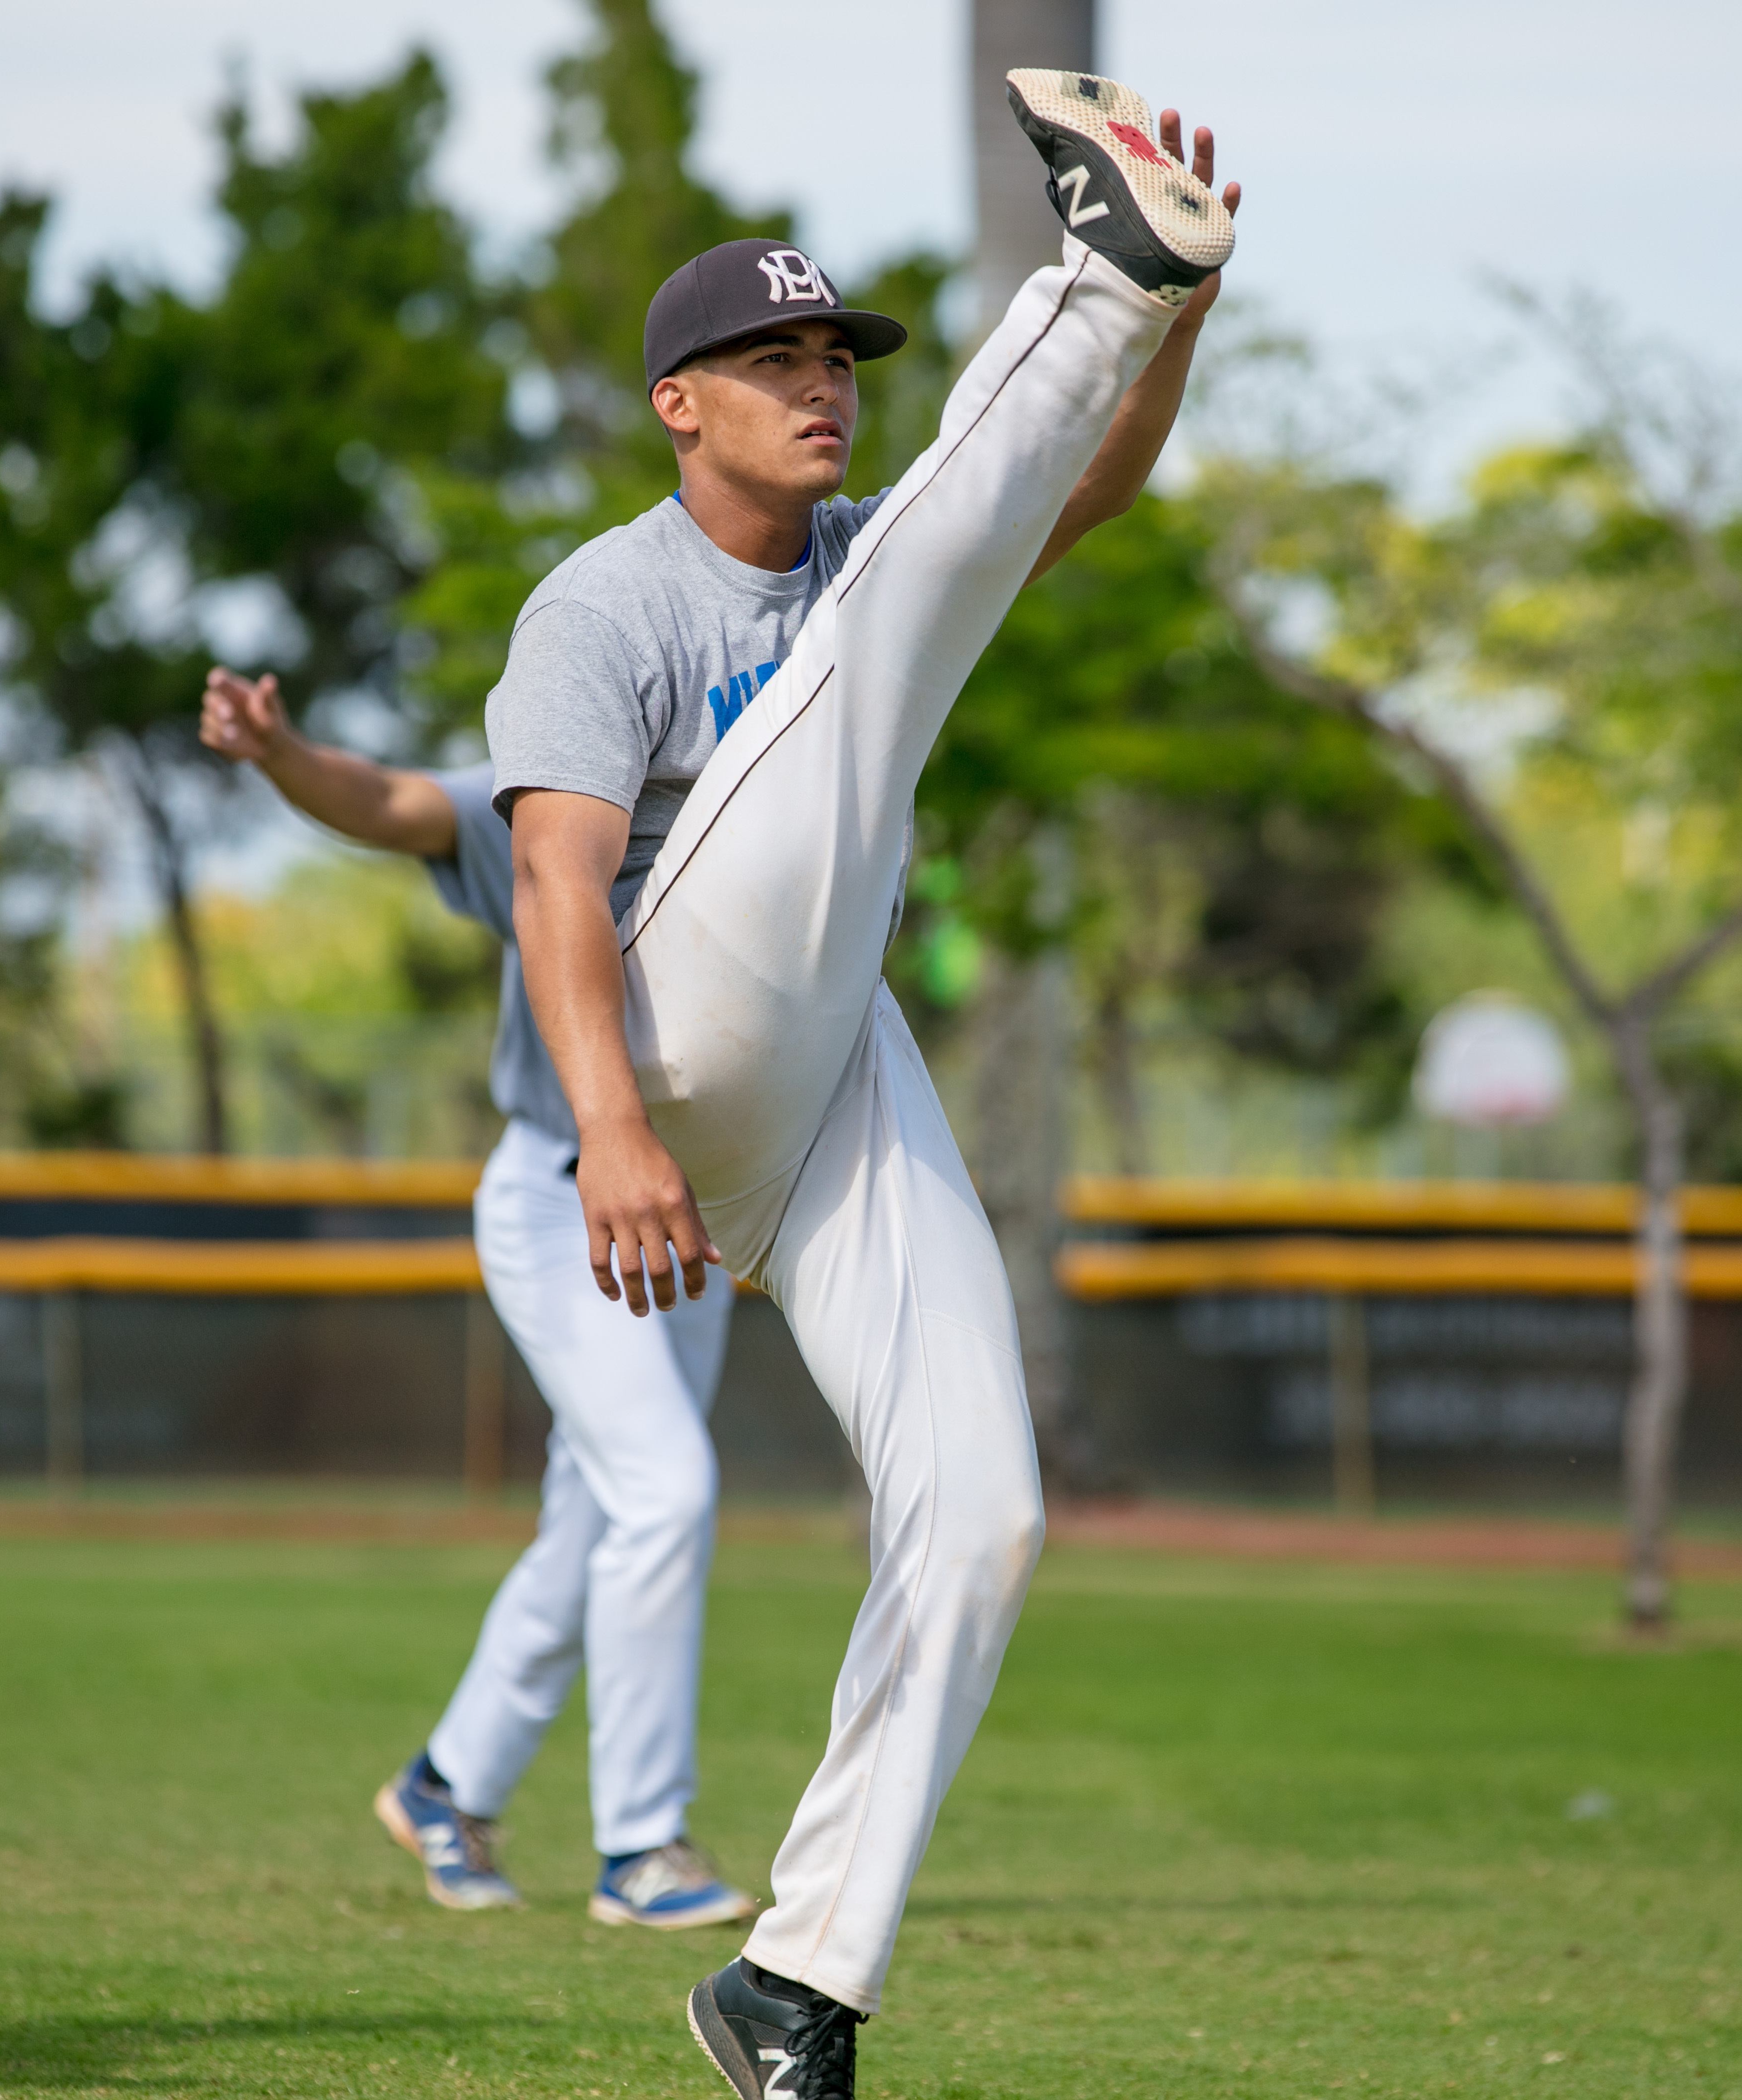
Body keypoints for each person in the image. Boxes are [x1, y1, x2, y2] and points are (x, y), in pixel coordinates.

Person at [489, 71, 1235, 2100]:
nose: (818, 381)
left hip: (829, 1043)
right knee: (891, 603)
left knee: (985, 1516)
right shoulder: (609, 599)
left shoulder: (865, 569)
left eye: (835, 353)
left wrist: (1173, 328)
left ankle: (793, 1984)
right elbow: (556, 873)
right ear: (679, 405)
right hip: (670, 1024)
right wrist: (610, 1130)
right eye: (772, 357)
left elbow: (1063, 502)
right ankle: (1096, 271)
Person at [197, 668, 759, 1931]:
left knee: (602, 1514)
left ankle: (447, 1786)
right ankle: (643, 1847)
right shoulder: (567, 784)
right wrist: (280, 750)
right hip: (558, 1198)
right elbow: (391, 799)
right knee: (663, 1488)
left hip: (692, 1214)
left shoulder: (769, 791)